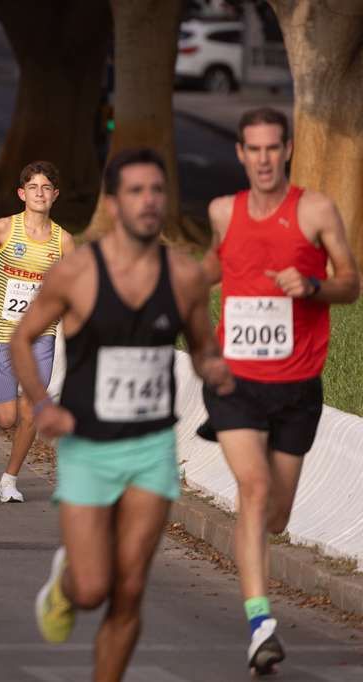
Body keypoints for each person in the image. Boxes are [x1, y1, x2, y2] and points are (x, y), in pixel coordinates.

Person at [17, 148, 234, 682]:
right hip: (88, 446)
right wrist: (42, 405)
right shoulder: (77, 272)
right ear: (113, 203)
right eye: (136, 191)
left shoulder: (182, 276)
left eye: (157, 191)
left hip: (150, 448)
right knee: (93, 589)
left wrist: (216, 369)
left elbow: (203, 348)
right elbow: (23, 338)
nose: (149, 201)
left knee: (130, 590)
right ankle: (64, 583)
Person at [198, 108, 360, 674]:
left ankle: (255, 560)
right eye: (253, 149)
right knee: (255, 487)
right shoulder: (224, 212)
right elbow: (211, 267)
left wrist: (313, 285)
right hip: (234, 381)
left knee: (276, 516)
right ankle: (260, 621)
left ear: (286, 150)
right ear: (240, 153)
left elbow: (351, 282)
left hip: (296, 385)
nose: (263, 159)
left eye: (273, 149)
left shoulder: (314, 210)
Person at [0, 161, 74, 503]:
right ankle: (3, 405)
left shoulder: (63, 241)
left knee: (31, 411)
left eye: (46, 188)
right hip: (2, 333)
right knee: (5, 417)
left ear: (55, 196)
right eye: (33, 188)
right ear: (21, 193)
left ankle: (10, 478)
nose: (39, 194)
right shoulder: (3, 229)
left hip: (41, 336)